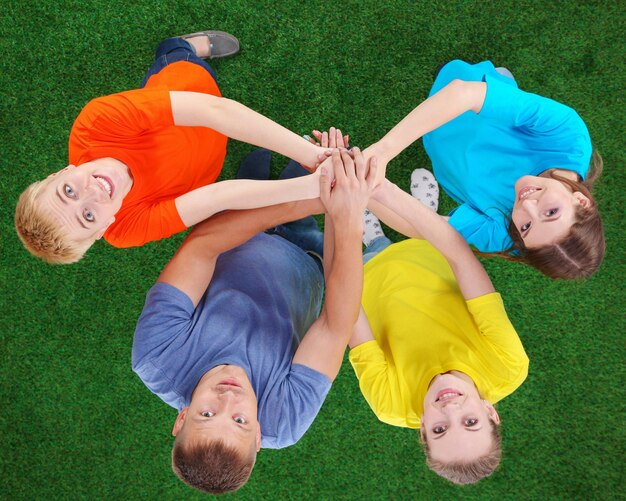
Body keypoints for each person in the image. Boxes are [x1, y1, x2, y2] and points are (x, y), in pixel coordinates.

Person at [132, 148, 377, 494]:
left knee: (255, 168)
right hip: (303, 259)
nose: (227, 400)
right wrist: (342, 214)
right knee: (303, 176)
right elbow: (336, 323)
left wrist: (314, 198)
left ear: (182, 418)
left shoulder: (155, 355)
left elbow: (203, 246)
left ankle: (259, 169)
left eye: (206, 414)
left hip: (235, 231)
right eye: (240, 421)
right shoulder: (285, 420)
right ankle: (291, 178)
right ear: (260, 435)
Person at [15, 31, 331, 264]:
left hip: (191, 86)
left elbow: (215, 112)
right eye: (87, 215)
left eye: (68, 191)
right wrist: (310, 186)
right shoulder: (124, 230)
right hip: (205, 161)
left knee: (178, 58)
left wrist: (314, 156)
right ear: (101, 230)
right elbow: (217, 196)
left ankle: (180, 45)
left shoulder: (96, 124)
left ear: (62, 172)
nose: (93, 192)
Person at [348, 172, 529, 484]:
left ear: (422, 430)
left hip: (374, 279)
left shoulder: (390, 405)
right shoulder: (509, 365)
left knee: (374, 247)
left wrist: (344, 213)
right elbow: (460, 257)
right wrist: (385, 191)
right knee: (424, 233)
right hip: (434, 255)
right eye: (470, 421)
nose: (450, 408)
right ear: (490, 413)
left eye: (439, 429)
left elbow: (347, 308)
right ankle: (423, 213)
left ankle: (373, 235)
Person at [362, 59, 604, 279]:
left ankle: (500, 86)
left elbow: (423, 227)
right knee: (455, 78)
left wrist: (360, 184)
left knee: (437, 139)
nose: (526, 205)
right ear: (581, 201)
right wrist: (382, 151)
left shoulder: (505, 234)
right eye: (551, 212)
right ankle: (500, 80)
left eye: (526, 227)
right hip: (466, 96)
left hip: (447, 156)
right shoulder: (569, 136)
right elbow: (463, 94)